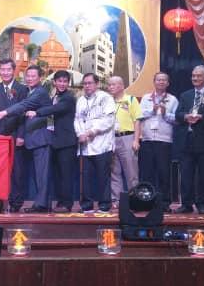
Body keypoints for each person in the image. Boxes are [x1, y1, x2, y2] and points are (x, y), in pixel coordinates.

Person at [0, 65, 53, 213]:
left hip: (40, 139)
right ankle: (41, 204)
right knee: (37, 174)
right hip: (32, 139)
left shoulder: (40, 92)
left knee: (42, 174)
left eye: (33, 76)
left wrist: (5, 112)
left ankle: (42, 205)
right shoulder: (29, 91)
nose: (30, 78)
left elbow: (24, 105)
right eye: (28, 76)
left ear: (40, 78)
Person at [174, 65, 204, 213]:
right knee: (186, 174)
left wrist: (202, 117)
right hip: (187, 140)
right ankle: (186, 204)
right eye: (193, 75)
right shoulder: (185, 95)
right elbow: (178, 114)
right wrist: (185, 116)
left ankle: (202, 203)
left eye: (198, 76)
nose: (195, 78)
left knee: (203, 174)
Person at [0, 57, 28, 212]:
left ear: (14, 70)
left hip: (16, 134)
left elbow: (23, 114)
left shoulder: (22, 89)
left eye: (8, 69)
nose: (5, 72)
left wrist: (22, 135)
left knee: (17, 170)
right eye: (2, 70)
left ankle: (16, 203)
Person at [34, 69, 77, 212]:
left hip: (67, 142)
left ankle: (67, 203)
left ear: (68, 83)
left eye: (65, 81)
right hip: (55, 141)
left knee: (66, 175)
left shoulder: (68, 98)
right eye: (60, 81)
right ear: (54, 82)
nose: (62, 84)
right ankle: (60, 201)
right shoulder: (55, 96)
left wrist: (36, 112)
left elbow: (56, 109)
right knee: (58, 175)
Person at [74, 73, 115, 212]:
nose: (87, 86)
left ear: (97, 84)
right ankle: (87, 205)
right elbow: (77, 120)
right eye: (85, 83)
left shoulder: (106, 98)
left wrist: (91, 132)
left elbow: (108, 121)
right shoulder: (80, 100)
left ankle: (104, 204)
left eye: (90, 83)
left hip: (102, 144)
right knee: (85, 177)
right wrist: (80, 133)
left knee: (103, 176)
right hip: (85, 145)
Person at [137, 71, 179, 205]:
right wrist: (152, 111)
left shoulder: (173, 99)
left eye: (164, 80)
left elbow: (177, 120)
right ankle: (146, 201)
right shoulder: (146, 98)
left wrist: (166, 114)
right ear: (154, 82)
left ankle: (165, 202)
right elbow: (139, 115)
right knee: (146, 173)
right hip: (147, 139)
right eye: (158, 80)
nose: (161, 82)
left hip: (164, 141)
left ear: (168, 83)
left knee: (164, 172)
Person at [107, 75, 141, 207]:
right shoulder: (108, 101)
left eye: (113, 85)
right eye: (109, 85)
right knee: (114, 172)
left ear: (121, 86)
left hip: (127, 137)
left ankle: (135, 200)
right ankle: (116, 200)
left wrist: (136, 140)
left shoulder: (131, 99)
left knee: (131, 172)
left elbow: (137, 120)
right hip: (111, 138)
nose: (110, 87)